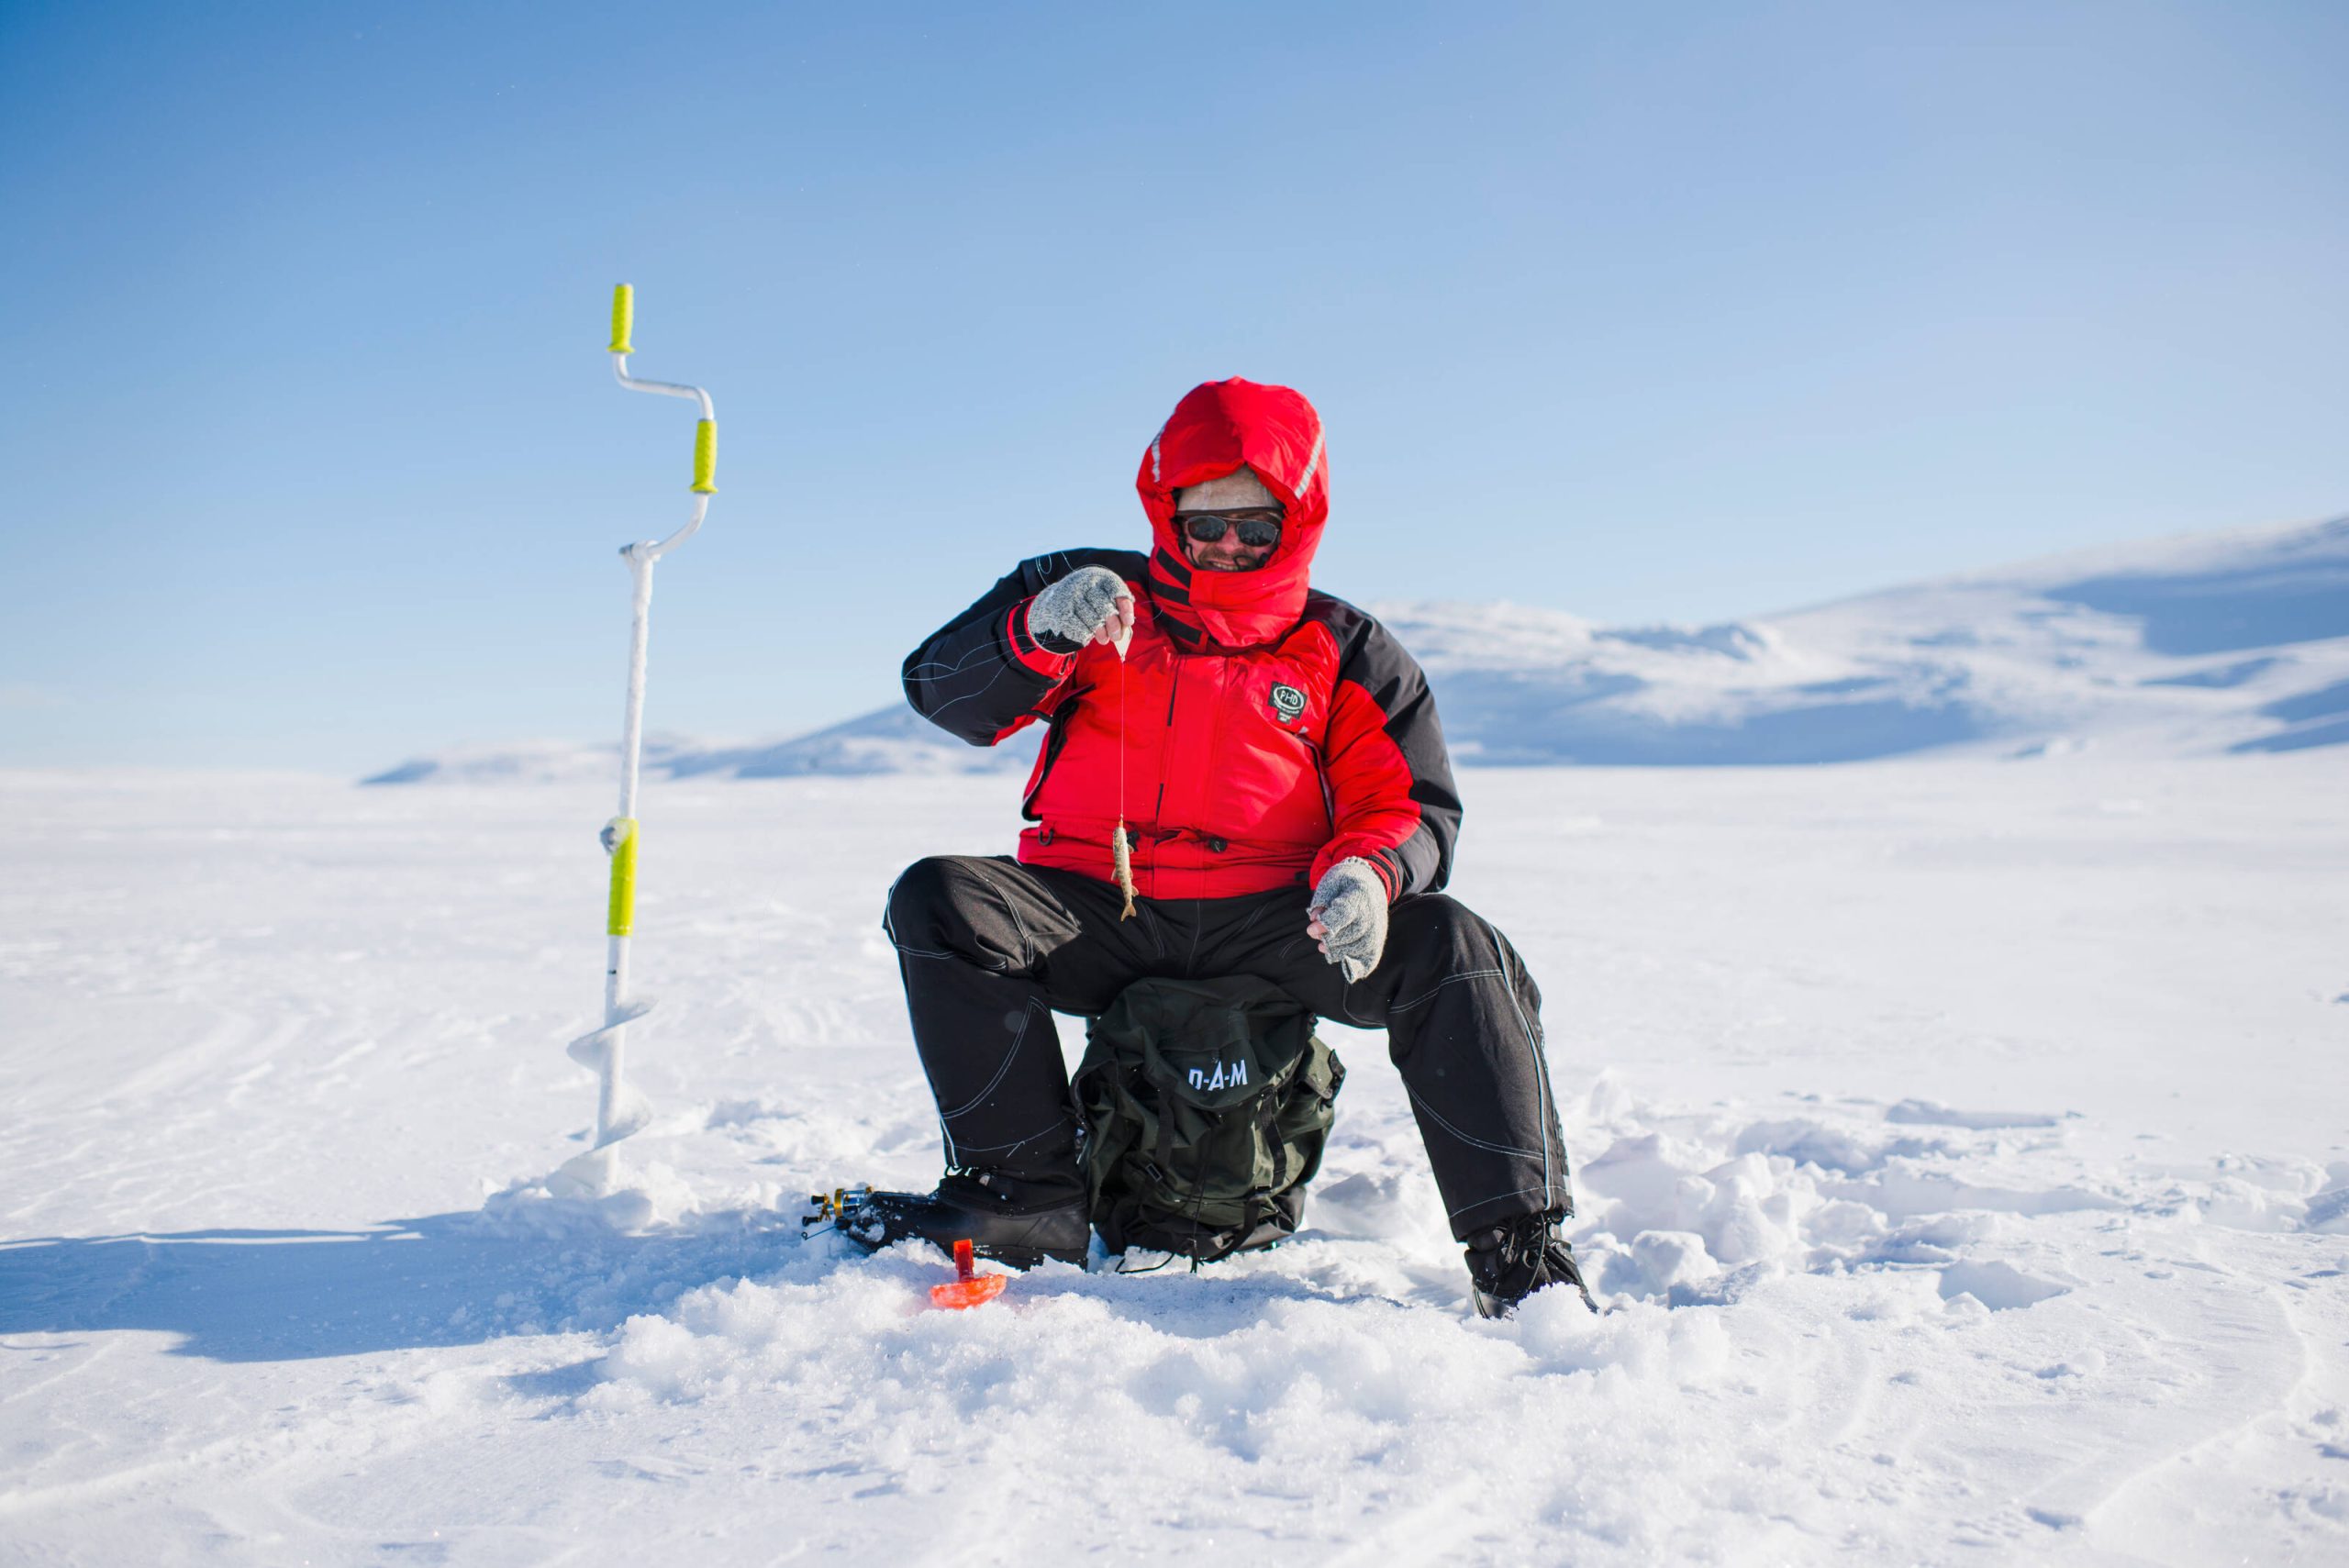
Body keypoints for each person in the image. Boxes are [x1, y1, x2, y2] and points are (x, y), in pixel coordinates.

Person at [877, 377, 1592, 1317]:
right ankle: (1025, 1202)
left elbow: (1412, 804)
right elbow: (943, 693)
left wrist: (1368, 877)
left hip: (1278, 923)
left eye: (1253, 526)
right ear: (1162, 505)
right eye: (1200, 521)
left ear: (1297, 520)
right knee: (942, 896)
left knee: (1455, 946)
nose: (1223, 545)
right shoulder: (1084, 591)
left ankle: (1520, 1256)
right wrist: (1036, 632)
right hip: (1098, 909)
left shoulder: (1346, 646)